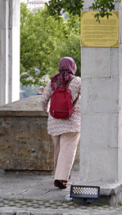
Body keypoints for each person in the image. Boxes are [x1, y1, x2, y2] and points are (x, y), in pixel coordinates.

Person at [41, 57, 81, 189]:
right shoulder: (77, 81)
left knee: (58, 150)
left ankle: (60, 173)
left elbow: (43, 100)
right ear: (73, 67)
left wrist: (47, 112)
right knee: (67, 150)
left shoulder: (53, 81)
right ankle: (61, 178)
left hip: (54, 122)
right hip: (71, 121)